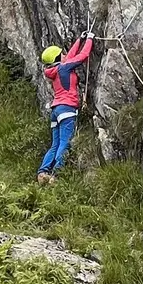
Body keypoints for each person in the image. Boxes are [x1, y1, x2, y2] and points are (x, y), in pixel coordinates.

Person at [36, 35, 93, 184]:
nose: (64, 54)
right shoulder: (64, 67)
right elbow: (83, 56)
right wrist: (89, 40)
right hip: (67, 108)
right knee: (64, 142)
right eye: (61, 53)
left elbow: (69, 57)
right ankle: (57, 174)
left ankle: (43, 172)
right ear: (57, 57)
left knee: (55, 144)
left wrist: (80, 40)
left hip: (56, 110)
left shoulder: (55, 69)